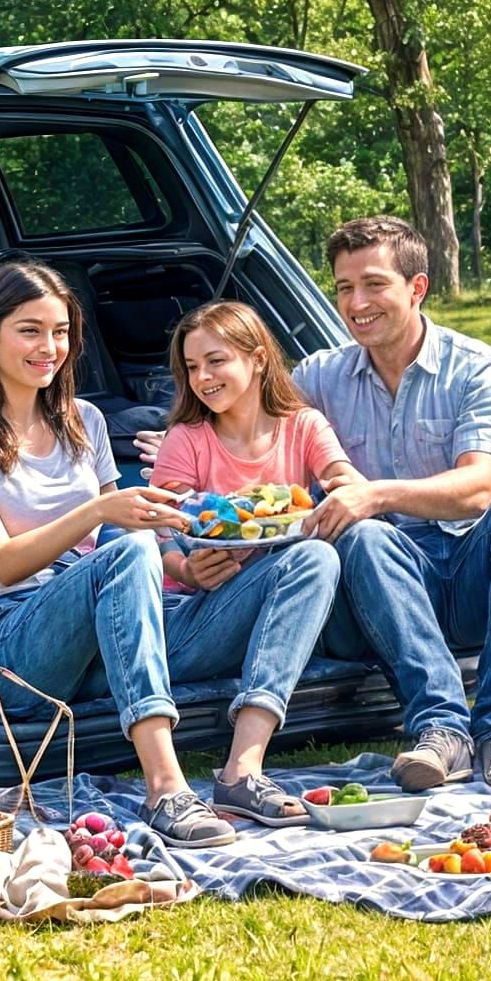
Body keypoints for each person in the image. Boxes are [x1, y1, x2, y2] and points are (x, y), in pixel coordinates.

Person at [141, 216, 491, 793]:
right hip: (377, 588)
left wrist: (373, 493)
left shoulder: (478, 369)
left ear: (416, 288)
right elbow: (251, 406)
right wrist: (180, 437)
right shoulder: (320, 377)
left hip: (469, 573)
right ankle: (442, 729)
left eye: (373, 285)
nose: (356, 303)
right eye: (344, 288)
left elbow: (478, 490)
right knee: (364, 535)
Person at [0, 261, 336, 846]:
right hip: (10, 647)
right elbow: (4, 561)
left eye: (61, 331)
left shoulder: (82, 420)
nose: (50, 347)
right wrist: (95, 513)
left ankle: (243, 771)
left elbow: (137, 530)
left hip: (110, 642)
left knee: (312, 559)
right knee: (125, 547)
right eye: (30, 330)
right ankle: (166, 786)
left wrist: (185, 566)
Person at [149, 300, 357, 823]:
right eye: (192, 367)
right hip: (200, 616)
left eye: (215, 361)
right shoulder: (187, 440)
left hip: (283, 615)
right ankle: (241, 773)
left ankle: (243, 770)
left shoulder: (303, 427)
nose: (203, 378)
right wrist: (184, 569)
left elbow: (345, 481)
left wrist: (337, 490)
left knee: (314, 557)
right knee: (311, 559)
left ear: (259, 358)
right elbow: (156, 528)